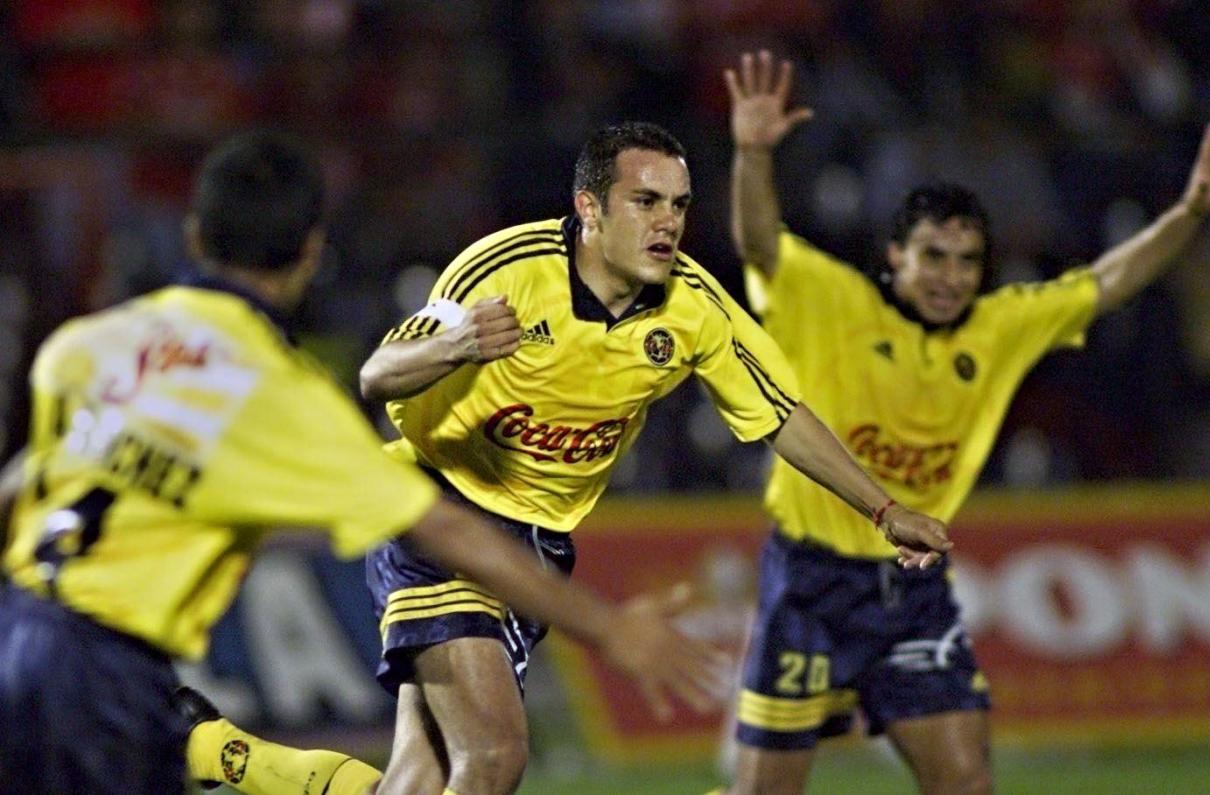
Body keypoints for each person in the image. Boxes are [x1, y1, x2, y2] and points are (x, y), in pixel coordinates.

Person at [187, 120, 952, 795]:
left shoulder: (693, 308)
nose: (668, 223)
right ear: (590, 208)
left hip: (538, 546)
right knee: (493, 755)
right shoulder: (508, 269)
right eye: (645, 202)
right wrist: (456, 344)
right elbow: (377, 373)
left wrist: (885, 508)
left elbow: (781, 415)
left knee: (422, 780)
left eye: (680, 205)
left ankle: (226, 754)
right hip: (437, 509)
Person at [0, 130, 730, 795]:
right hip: (109, 676)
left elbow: (21, 489)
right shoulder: (277, 395)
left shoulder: (85, 345)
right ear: (311, 254)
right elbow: (444, 529)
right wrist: (607, 627)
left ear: (194, 233)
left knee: (423, 770)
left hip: (17, 638)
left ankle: (216, 749)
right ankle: (217, 750)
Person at [718, 50, 1210, 795]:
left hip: (913, 589)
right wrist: (753, 154)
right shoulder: (831, 300)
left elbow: (1109, 280)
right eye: (932, 254)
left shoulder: (1000, 326)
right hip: (812, 583)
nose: (949, 274)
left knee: (966, 783)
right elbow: (760, 240)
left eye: (966, 259)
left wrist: (1188, 214)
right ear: (894, 256)